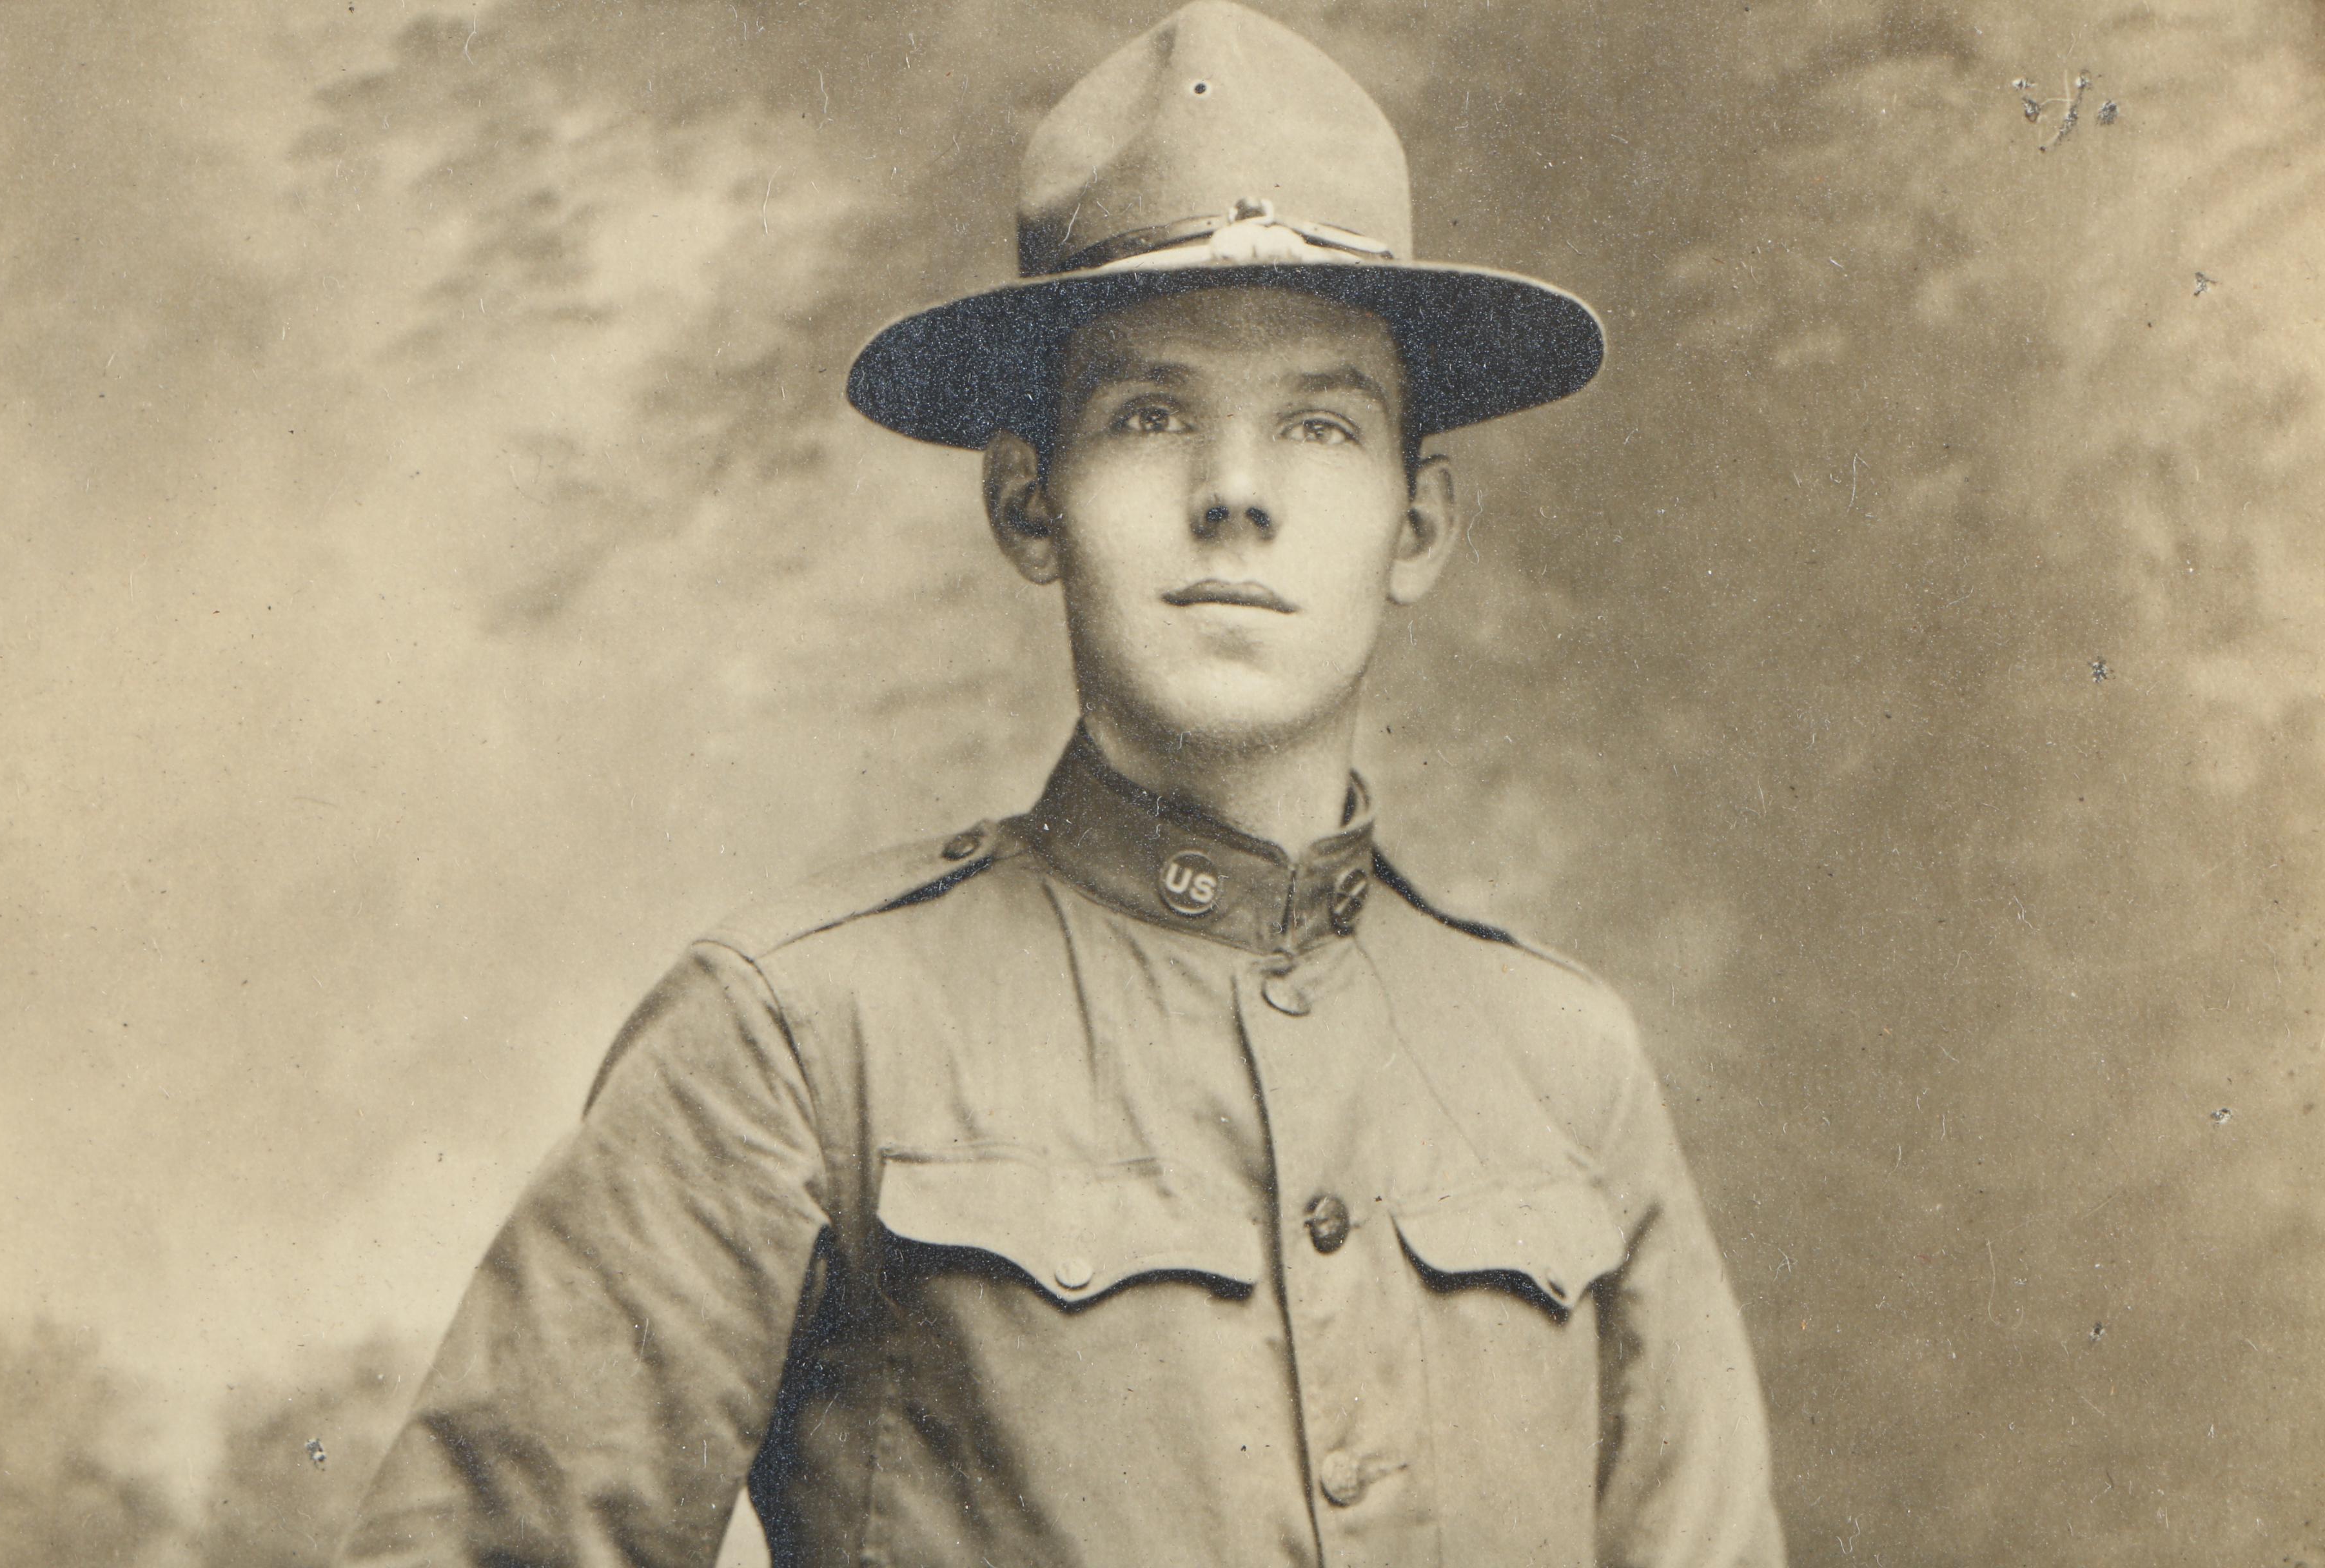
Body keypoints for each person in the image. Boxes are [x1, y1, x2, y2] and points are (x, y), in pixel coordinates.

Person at [338, 5, 1785, 1565]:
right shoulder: (802, 1037)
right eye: (1150, 415)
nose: (1236, 493)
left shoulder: (1567, 1071)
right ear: (1031, 503)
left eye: (1320, 422)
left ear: (1418, 524)